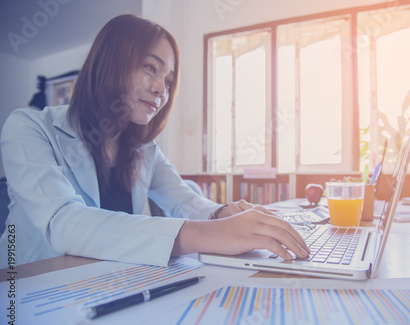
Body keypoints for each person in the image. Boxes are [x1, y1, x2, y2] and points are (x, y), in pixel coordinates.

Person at [0, 14, 309, 268]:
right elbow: (64, 223)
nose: (162, 89)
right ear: (111, 61)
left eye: (169, 80)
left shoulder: (144, 150)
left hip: (103, 282)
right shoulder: (27, 128)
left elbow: (183, 200)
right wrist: (209, 234)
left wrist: (219, 215)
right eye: (151, 68)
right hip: (24, 289)